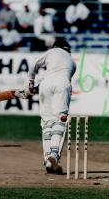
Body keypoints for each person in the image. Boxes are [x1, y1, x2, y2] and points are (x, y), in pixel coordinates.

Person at [25, 38, 76, 174]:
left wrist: (31, 84)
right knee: (60, 119)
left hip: (45, 85)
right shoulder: (72, 62)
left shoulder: (51, 52)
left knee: (46, 122)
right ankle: (54, 154)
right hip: (62, 84)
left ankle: (48, 159)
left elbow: (34, 65)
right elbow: (61, 79)